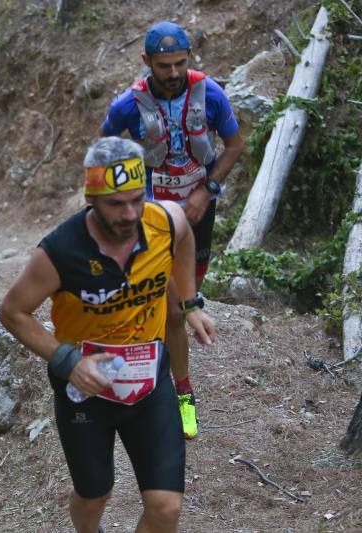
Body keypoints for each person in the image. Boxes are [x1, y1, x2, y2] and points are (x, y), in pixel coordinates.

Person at [0, 137, 216, 533]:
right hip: (87, 389)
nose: (129, 213)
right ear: (92, 198)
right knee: (94, 495)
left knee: (165, 507)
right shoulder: (60, 252)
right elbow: (13, 312)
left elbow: (185, 238)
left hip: (149, 383)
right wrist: (69, 361)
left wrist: (190, 301)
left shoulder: (164, 220)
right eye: (116, 204)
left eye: (136, 199)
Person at [100, 20, 244, 438]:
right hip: (148, 220)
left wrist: (207, 190)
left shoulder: (209, 93)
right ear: (147, 62)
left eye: (180, 63)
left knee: (178, 308)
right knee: (172, 308)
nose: (174, 73)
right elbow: (103, 154)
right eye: (164, 66)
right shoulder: (128, 104)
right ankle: (178, 394)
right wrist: (123, 204)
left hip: (198, 217)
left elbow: (235, 145)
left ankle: (166, 384)